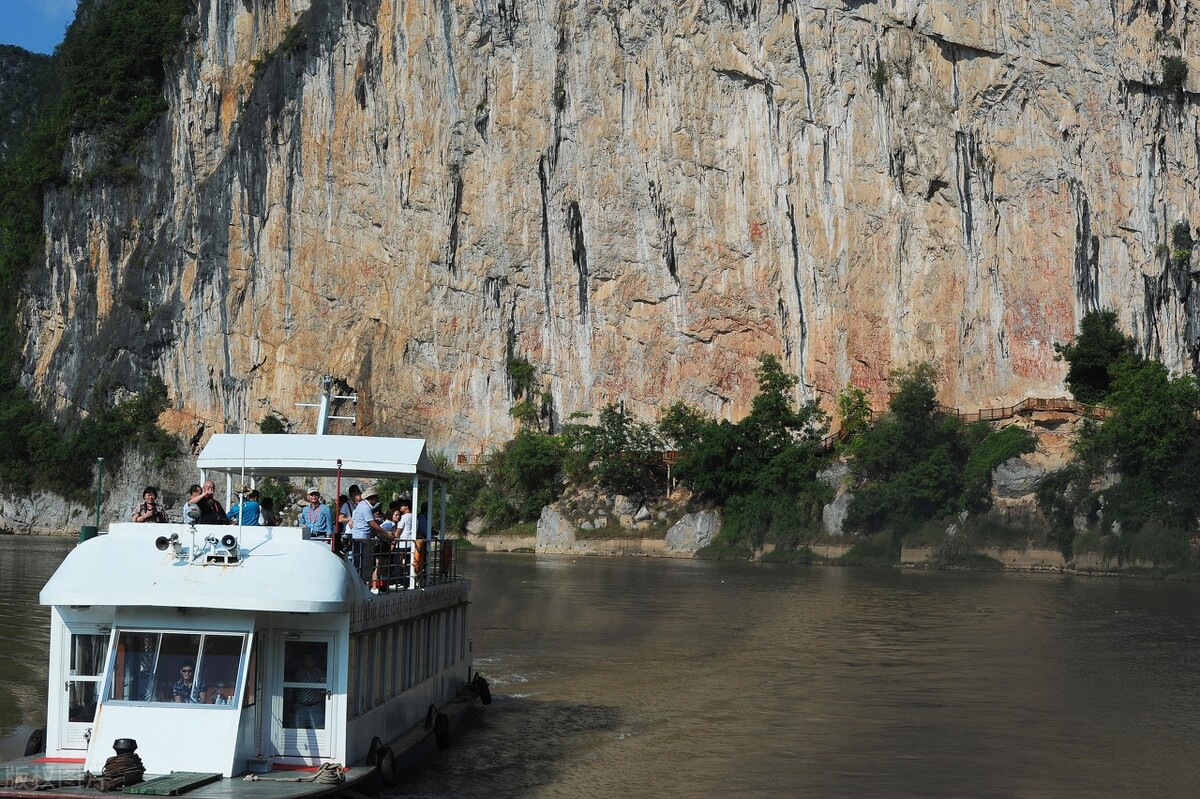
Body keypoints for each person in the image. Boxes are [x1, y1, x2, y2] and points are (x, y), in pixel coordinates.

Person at [292, 653, 326, 729]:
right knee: (298, 729)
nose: (307, 661)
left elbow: (324, 689)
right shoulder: (300, 673)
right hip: (301, 706)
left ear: (314, 661)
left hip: (316, 706)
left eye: (309, 659)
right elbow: (295, 688)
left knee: (318, 729)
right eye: (306, 659)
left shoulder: (320, 673)